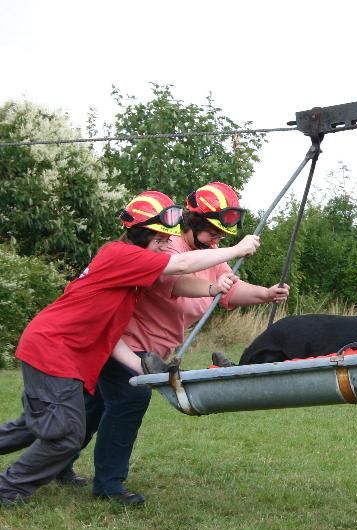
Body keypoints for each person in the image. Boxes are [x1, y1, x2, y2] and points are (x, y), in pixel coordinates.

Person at [0, 190, 261, 506]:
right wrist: (238, 249)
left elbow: (111, 336)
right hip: (53, 349)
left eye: (168, 238)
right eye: (160, 239)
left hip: (66, 353)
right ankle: (7, 489)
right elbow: (181, 264)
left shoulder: (132, 275)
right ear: (140, 234)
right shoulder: (119, 254)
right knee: (65, 435)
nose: (166, 245)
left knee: (36, 426)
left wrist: (145, 371)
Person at [77, 181, 288, 505]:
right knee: (129, 401)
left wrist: (266, 293)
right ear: (192, 222)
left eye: (222, 236)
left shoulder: (209, 254)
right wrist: (233, 253)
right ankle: (108, 485)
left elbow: (229, 289)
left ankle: (57, 462)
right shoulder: (168, 246)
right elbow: (173, 279)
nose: (217, 240)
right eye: (213, 232)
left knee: (93, 407)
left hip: (153, 350)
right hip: (125, 343)